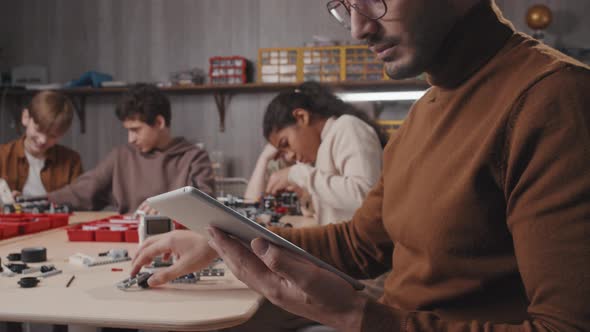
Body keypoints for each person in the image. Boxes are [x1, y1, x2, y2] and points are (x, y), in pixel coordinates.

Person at [132, 0, 590, 331]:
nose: (357, 29)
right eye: (344, 6)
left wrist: (358, 317)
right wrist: (225, 242)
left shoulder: (554, 100)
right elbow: (361, 244)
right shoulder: (423, 114)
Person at [48, 83, 214, 214]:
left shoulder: (194, 158)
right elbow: (81, 191)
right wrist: (35, 201)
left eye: (136, 130)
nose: (130, 139)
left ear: (159, 123)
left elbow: (206, 207)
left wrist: (170, 209)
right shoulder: (121, 156)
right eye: (128, 130)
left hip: (174, 242)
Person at [252, 81, 387, 225]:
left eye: (286, 144)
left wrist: (298, 173)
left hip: (361, 245)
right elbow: (331, 213)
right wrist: (305, 195)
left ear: (302, 117)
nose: (289, 156)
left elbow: (364, 196)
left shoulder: (347, 127)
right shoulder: (322, 149)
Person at [0, 90, 82, 198]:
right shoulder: (2, 156)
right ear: (25, 118)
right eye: (39, 130)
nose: (43, 140)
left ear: (62, 135)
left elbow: (80, 203)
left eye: (52, 136)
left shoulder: (72, 161)